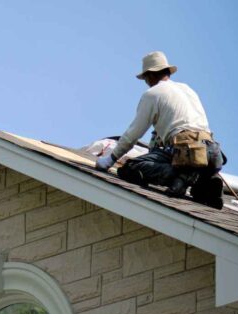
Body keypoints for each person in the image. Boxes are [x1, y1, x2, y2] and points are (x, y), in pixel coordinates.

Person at [95, 51, 226, 209]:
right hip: (212, 153)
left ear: (150, 75)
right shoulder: (186, 89)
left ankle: (180, 177)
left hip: (186, 151)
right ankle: (204, 181)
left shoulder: (153, 94)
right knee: (196, 186)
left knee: (131, 168)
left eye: (145, 78)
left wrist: (111, 159)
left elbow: (133, 134)